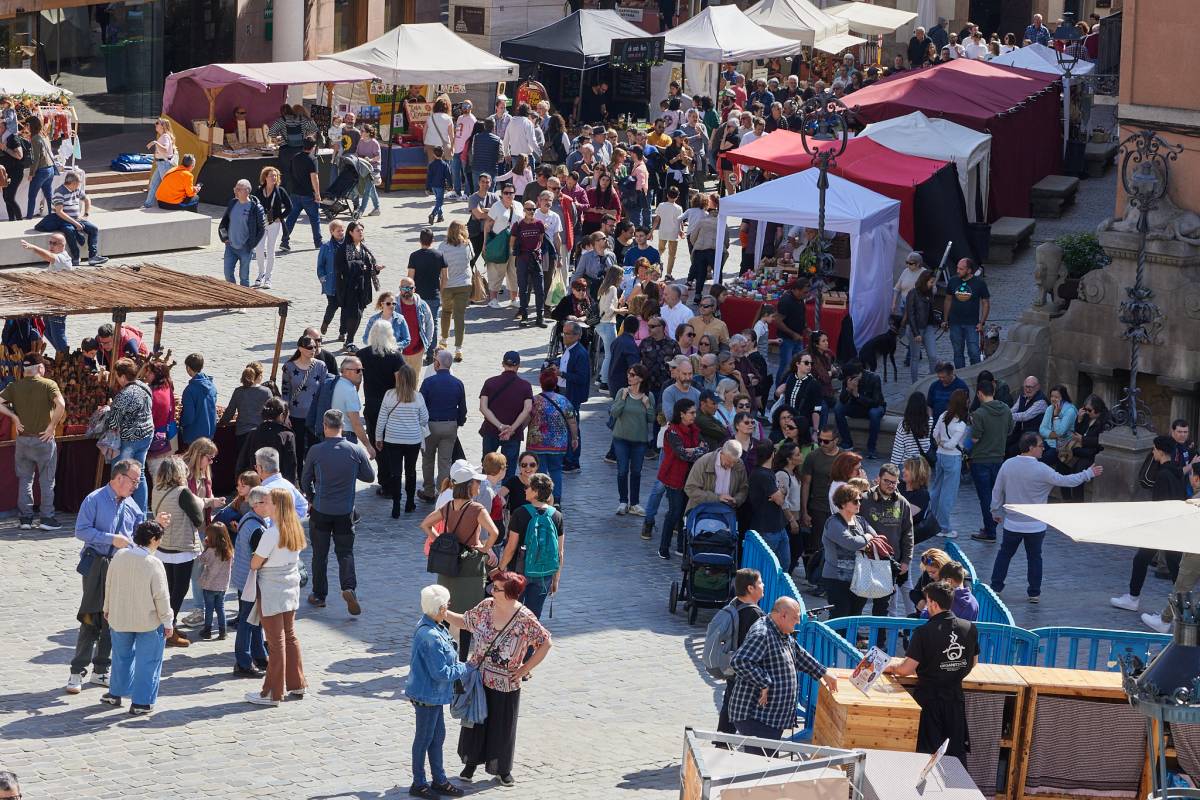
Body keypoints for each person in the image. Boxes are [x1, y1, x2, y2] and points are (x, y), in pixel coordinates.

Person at [68, 459, 169, 695]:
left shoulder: (132, 505)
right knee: (91, 616)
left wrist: (155, 524)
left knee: (112, 618)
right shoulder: (94, 499)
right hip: (96, 563)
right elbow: (81, 530)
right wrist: (110, 538)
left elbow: (139, 536)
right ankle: (77, 671)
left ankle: (101, 668)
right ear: (119, 478)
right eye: (134, 480)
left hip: (120, 566)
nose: (136, 485)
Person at [449, 571, 552, 788]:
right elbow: (465, 621)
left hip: (506, 683)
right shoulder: (486, 606)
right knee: (474, 723)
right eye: (492, 587)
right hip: (479, 678)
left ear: (510, 594)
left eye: (496, 589)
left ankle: (502, 770)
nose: (491, 591)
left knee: (502, 727)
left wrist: (525, 668)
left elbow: (546, 643)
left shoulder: (525, 618)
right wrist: (441, 612)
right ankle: (470, 765)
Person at [990, 433, 1102, 603]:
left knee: (1004, 555)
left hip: (1013, 523)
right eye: (1040, 445)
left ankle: (995, 587)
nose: (1043, 448)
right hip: (1035, 525)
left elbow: (997, 490)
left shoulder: (1008, 465)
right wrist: (1088, 473)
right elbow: (1066, 481)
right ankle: (1034, 593)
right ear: (1030, 448)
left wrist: (995, 511)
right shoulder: (1042, 470)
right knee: (1035, 558)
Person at [884, 580, 979, 762]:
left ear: (933, 604)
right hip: (955, 700)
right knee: (955, 755)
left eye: (927, 602)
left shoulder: (924, 632)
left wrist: (889, 667)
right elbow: (973, 662)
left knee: (927, 756)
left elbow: (906, 669)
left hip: (929, 701)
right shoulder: (969, 628)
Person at [729, 597, 836, 750]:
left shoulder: (780, 630)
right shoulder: (762, 633)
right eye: (795, 618)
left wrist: (823, 673)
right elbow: (740, 661)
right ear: (783, 615)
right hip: (757, 717)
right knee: (762, 762)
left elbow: (799, 655)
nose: (798, 622)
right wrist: (764, 682)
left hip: (770, 718)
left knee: (767, 760)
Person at [420, 461, 500, 658]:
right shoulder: (477, 509)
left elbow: (425, 524)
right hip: (470, 567)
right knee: (467, 617)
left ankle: (446, 654)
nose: (479, 485)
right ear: (469, 485)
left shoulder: (448, 506)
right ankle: (462, 658)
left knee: (446, 613)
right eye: (476, 482)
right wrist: (485, 549)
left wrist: (439, 541)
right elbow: (494, 532)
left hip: (449, 566)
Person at [98, 518, 173, 715]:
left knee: (121, 657)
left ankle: (116, 693)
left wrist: (107, 607)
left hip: (119, 617)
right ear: (154, 539)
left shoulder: (119, 555)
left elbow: (109, 584)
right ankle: (141, 702)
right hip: (148, 621)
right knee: (148, 662)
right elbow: (161, 596)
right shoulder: (154, 563)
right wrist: (168, 621)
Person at [302, 409, 374, 614]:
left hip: (321, 510)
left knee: (319, 555)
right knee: (345, 552)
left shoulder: (316, 451)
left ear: (325, 426)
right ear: (342, 426)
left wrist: (312, 498)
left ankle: (319, 595)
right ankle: (348, 587)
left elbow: (305, 480)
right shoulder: (354, 450)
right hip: (345, 511)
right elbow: (369, 477)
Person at [243, 488, 308, 706]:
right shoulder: (294, 528)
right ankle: (297, 683)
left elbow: (255, 563)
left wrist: (255, 558)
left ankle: (272, 692)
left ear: (277, 506)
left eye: (268, 502)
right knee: (289, 635)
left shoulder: (271, 533)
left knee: (275, 640)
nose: (265, 504)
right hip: (290, 586)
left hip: (271, 589)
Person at [406, 585, 470, 798]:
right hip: (428, 695)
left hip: (433, 695)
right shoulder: (431, 636)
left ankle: (439, 780)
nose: (449, 607)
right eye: (447, 604)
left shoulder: (432, 625)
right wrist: (467, 667)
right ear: (442, 608)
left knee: (437, 737)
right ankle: (419, 783)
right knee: (424, 739)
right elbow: (441, 673)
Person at [1111, 435, 1186, 613]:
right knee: (1170, 565)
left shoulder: (1163, 475)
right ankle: (1180, 606)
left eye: (1154, 449)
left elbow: (1159, 505)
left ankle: (1135, 599)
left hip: (1162, 528)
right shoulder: (1176, 472)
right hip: (1173, 525)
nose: (1153, 452)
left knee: (1153, 562)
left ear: (1160, 451)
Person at [0, 352, 65, 530]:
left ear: (25, 369)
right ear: (40, 368)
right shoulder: (49, 384)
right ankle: (46, 518)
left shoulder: (14, 386)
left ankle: (25, 519)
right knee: (47, 481)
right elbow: (61, 405)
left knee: (25, 480)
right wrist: (52, 426)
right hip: (44, 439)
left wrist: (14, 417)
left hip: (23, 440)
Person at [149, 456, 206, 647]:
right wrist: (201, 503)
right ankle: (169, 629)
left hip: (164, 545)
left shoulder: (157, 489)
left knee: (168, 589)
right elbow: (198, 519)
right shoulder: (183, 492)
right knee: (179, 591)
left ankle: (166, 626)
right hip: (181, 548)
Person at [498, 473, 565, 618]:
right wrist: (556, 579)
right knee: (533, 616)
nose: (525, 489)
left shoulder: (520, 513)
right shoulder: (557, 516)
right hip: (544, 573)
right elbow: (560, 551)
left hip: (519, 571)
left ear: (535, 492)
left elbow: (511, 547)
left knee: (513, 613)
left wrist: (500, 568)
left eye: (528, 487)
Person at [822, 484, 893, 618]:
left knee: (855, 616)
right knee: (840, 615)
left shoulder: (860, 521)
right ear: (843, 503)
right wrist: (867, 537)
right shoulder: (833, 522)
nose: (859, 504)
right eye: (855, 501)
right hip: (837, 579)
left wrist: (865, 541)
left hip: (860, 577)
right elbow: (852, 543)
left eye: (860, 500)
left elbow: (876, 538)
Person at [860, 463, 915, 616]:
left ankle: (880, 632)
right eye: (886, 481)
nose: (890, 485)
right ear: (878, 479)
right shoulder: (864, 500)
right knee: (858, 600)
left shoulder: (902, 503)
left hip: (889, 562)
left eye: (894, 482)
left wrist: (906, 560)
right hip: (866, 560)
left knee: (883, 607)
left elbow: (908, 534)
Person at [375, 363, 430, 516]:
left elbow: (382, 419)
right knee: (410, 471)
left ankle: (396, 505)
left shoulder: (389, 395)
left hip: (392, 438)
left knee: (395, 472)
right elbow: (425, 418)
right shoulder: (418, 397)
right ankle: (410, 502)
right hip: (412, 439)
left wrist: (378, 437)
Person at [716, 569, 766, 734]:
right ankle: (726, 740)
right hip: (744, 668)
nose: (763, 585)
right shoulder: (755, 614)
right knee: (739, 707)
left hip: (730, 662)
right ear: (750, 588)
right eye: (760, 583)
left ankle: (722, 739)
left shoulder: (733, 604)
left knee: (729, 702)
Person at [658, 398, 709, 559]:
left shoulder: (695, 430)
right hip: (674, 478)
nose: (694, 415)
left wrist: (692, 450)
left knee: (685, 513)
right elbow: (682, 454)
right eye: (691, 413)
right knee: (674, 512)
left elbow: (705, 448)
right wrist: (696, 450)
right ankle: (663, 547)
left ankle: (681, 546)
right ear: (681, 414)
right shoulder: (672, 432)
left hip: (690, 478)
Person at [103, 359, 155, 511]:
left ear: (123, 377)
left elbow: (113, 423)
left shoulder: (124, 394)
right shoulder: (145, 387)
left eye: (117, 376)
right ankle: (141, 513)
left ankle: (117, 511)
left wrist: (109, 408)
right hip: (146, 435)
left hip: (130, 439)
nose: (117, 379)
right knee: (140, 474)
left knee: (121, 475)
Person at [229, 485, 270, 678]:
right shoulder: (256, 529)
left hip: (243, 579)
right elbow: (260, 560)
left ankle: (259, 655)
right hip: (250, 582)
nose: (271, 505)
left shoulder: (249, 519)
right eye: (268, 502)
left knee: (255, 619)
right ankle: (243, 662)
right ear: (257, 505)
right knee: (247, 621)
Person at [968, 379, 1014, 543]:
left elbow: (974, 439)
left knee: (985, 497)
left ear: (980, 394)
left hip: (981, 459)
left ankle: (990, 531)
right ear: (993, 392)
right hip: (999, 458)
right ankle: (990, 527)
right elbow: (1010, 430)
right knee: (995, 496)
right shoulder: (1006, 410)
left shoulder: (979, 414)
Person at [421, 350, 468, 502]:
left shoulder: (428, 382)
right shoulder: (458, 383)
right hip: (450, 425)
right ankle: (442, 493)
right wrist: (458, 422)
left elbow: (421, 406)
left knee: (428, 460)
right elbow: (463, 408)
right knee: (445, 462)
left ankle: (428, 491)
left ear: (437, 363)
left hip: (431, 425)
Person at [32, 170, 107, 266]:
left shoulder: (77, 189)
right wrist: (75, 223)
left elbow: (87, 199)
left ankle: (93, 256)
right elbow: (59, 212)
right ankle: (76, 257)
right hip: (63, 220)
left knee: (94, 229)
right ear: (73, 183)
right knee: (69, 231)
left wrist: (86, 214)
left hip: (77, 218)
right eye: (79, 183)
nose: (79, 185)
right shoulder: (59, 192)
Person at [610, 363, 657, 515]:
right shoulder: (622, 392)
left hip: (639, 440)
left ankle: (634, 503)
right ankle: (623, 502)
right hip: (621, 438)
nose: (629, 377)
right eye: (628, 374)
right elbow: (614, 413)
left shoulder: (648, 396)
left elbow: (651, 419)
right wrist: (623, 399)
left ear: (641, 378)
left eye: (632, 375)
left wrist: (648, 405)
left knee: (636, 471)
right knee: (622, 470)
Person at [479, 351, 534, 477]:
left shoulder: (490, 383)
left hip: (491, 430)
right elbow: (527, 409)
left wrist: (500, 426)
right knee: (509, 469)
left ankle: (485, 488)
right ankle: (506, 490)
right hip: (513, 434)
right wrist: (511, 429)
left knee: (487, 467)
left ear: (503, 364)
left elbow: (483, 407)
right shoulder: (525, 386)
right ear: (518, 365)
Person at [336, 221, 383, 349]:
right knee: (355, 314)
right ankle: (349, 341)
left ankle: (348, 338)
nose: (361, 232)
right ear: (351, 232)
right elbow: (340, 268)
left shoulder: (364, 248)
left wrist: (375, 268)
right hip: (349, 287)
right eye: (358, 230)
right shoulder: (344, 249)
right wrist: (360, 265)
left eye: (362, 230)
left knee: (359, 313)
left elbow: (368, 266)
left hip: (363, 287)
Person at [941, 258, 989, 368]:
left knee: (974, 352)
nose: (958, 271)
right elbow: (948, 300)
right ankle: (960, 375)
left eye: (961, 269)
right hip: (955, 323)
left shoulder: (979, 283)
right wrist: (945, 320)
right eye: (957, 268)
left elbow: (985, 303)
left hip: (972, 324)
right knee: (958, 352)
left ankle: (975, 374)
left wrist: (982, 322)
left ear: (969, 270)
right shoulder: (953, 281)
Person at [218, 362, 273, 458]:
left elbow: (229, 412)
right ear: (259, 376)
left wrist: (222, 422)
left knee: (243, 462)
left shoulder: (238, 391)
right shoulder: (266, 392)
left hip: (242, 434)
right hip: (260, 434)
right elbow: (272, 413)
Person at [235, 397, 297, 483]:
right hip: (277, 485)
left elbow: (242, 462)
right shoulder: (287, 436)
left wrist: (240, 483)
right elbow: (290, 466)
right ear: (282, 415)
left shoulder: (254, 433)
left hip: (255, 483)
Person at [218, 179, 267, 287]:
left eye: (239, 189)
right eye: (235, 189)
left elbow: (261, 229)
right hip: (230, 246)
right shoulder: (233, 203)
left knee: (244, 277)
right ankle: (233, 294)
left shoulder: (255, 207)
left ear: (247, 191)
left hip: (245, 248)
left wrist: (251, 244)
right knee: (228, 274)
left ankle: (244, 296)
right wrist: (225, 238)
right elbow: (224, 223)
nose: (236, 191)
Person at [833, 361, 886, 460]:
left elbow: (876, 402)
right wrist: (848, 389)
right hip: (857, 407)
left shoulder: (874, 378)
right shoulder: (848, 379)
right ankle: (847, 442)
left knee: (874, 413)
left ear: (857, 374)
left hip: (874, 407)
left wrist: (857, 396)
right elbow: (842, 400)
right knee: (838, 409)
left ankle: (871, 448)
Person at [250, 166, 292, 289]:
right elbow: (253, 205)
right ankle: (261, 273)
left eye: (275, 176)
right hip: (262, 223)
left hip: (274, 223)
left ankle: (268, 278)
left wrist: (281, 217)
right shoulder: (259, 190)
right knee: (259, 249)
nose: (274, 178)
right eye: (271, 176)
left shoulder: (280, 191)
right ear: (265, 178)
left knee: (270, 249)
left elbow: (290, 207)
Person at [280, 137, 324, 253]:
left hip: (295, 193)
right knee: (314, 219)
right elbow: (314, 177)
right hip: (308, 194)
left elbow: (290, 174)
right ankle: (318, 243)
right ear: (313, 147)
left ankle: (284, 242)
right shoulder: (312, 159)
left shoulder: (295, 157)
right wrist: (317, 194)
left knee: (291, 219)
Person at [557, 322, 591, 474]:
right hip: (564, 393)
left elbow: (582, 378)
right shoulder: (569, 349)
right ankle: (567, 457)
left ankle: (573, 461)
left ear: (577, 336)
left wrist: (562, 374)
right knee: (566, 427)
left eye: (567, 334)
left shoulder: (580, 353)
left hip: (572, 395)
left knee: (573, 428)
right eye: (563, 333)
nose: (564, 336)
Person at [438, 221, 474, 359]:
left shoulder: (442, 246)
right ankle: (458, 349)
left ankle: (444, 340)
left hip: (447, 284)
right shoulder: (467, 244)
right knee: (459, 316)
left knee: (446, 312)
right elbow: (471, 258)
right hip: (464, 284)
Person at [1062, 396, 1108, 502]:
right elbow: (1078, 432)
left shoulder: (1106, 421)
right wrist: (1079, 420)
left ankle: (1078, 501)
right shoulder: (1087, 417)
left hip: (1093, 452)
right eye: (1085, 409)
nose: (1087, 412)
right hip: (1082, 449)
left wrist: (1083, 439)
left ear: (1097, 409)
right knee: (1062, 463)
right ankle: (1067, 498)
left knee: (1079, 470)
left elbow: (1102, 441)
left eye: (1089, 410)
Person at [484, 182, 520, 308]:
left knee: (514, 271)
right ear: (502, 194)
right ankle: (493, 299)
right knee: (496, 270)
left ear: (515, 194)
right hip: (499, 242)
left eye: (511, 193)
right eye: (506, 193)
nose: (508, 195)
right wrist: (485, 243)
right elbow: (487, 225)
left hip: (515, 243)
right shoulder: (496, 206)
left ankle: (514, 298)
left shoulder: (519, 205)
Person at [195, 521, 233, 640]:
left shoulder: (211, 551)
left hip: (209, 585)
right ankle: (223, 631)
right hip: (222, 586)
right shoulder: (229, 550)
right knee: (220, 608)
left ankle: (207, 630)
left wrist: (204, 547)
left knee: (209, 609)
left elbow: (201, 559)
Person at [902, 270, 937, 383]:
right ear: (924, 281)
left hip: (928, 327)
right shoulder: (913, 293)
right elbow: (911, 314)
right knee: (915, 357)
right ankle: (915, 382)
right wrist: (916, 333)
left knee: (933, 356)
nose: (932, 284)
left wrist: (940, 322)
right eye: (931, 282)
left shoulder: (929, 293)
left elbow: (930, 312)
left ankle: (932, 381)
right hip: (915, 328)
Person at [179, 353, 217, 449]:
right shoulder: (212, 386)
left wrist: (181, 423)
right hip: (209, 433)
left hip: (194, 436)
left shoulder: (189, 390)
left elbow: (189, 416)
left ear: (188, 368)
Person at [318, 220, 347, 339]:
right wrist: (322, 277)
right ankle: (326, 322)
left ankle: (342, 332)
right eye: (338, 231)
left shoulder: (348, 245)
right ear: (332, 232)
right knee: (333, 305)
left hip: (345, 282)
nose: (341, 233)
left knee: (345, 308)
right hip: (331, 282)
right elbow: (320, 265)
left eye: (342, 230)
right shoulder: (326, 246)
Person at [1038, 385, 1077, 467]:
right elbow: (1042, 429)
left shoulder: (1070, 411)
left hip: (1061, 446)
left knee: (1043, 460)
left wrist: (1056, 416)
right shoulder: (1050, 408)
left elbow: (1060, 432)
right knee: (1032, 454)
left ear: (1063, 398)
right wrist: (1052, 434)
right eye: (1052, 396)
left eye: (1056, 397)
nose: (1053, 399)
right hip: (1049, 441)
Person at [25, 115, 54, 219]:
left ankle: (29, 217)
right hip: (50, 168)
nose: (26, 127)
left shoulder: (35, 139)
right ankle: (52, 215)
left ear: (30, 125)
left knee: (32, 195)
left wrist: (31, 173)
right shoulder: (43, 136)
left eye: (27, 125)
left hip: (41, 170)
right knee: (48, 195)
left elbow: (36, 158)